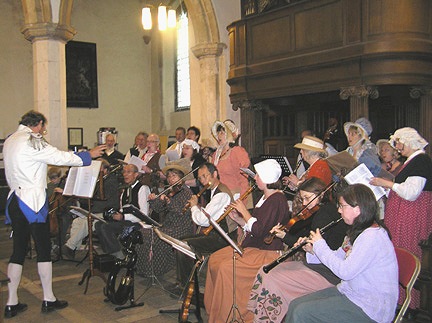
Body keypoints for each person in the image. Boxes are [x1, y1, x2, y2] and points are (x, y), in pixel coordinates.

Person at [3, 110, 105, 317]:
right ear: (38, 124)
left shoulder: (10, 139)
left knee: (18, 250)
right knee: (43, 248)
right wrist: (88, 155)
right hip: (31, 201)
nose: (43, 131)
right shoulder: (32, 140)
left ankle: (11, 302)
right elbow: (58, 157)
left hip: (14, 199)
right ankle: (48, 298)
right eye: (43, 127)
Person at [285, 184, 398, 323]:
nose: (339, 210)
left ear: (357, 209)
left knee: (301, 312)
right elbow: (337, 256)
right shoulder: (356, 231)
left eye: (342, 206)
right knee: (295, 304)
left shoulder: (372, 237)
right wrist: (312, 250)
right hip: (351, 292)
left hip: (370, 307)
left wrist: (320, 245)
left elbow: (345, 272)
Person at [248, 178, 348, 323]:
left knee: (272, 277)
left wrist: (287, 237)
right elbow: (305, 239)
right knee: (265, 270)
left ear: (320, 195)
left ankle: (267, 317)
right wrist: (286, 236)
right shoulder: (322, 210)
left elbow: (319, 248)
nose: (304, 203)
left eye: (307, 198)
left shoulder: (324, 214)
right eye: (302, 199)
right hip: (316, 264)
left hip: (324, 270)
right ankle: (260, 313)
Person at [204, 159, 289, 323]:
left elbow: (260, 231)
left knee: (225, 268)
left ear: (266, 178)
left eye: (257, 175)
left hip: (267, 252)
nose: (255, 178)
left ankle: (230, 315)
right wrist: (239, 220)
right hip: (254, 246)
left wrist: (244, 211)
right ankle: (215, 310)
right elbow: (255, 226)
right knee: (215, 260)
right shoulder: (266, 198)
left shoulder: (277, 200)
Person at [370, 127, 432, 309]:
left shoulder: (421, 161)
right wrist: (387, 188)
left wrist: (386, 183)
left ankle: (410, 302)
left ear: (409, 142)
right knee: (397, 250)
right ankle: (398, 297)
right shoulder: (412, 160)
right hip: (404, 212)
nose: (396, 147)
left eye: (398, 143)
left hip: (411, 215)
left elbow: (412, 193)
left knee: (407, 249)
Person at [174, 162, 236, 290]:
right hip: (214, 233)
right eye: (200, 178)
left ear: (214, 174)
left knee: (184, 245)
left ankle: (188, 286)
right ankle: (187, 281)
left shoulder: (221, 194)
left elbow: (203, 220)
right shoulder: (213, 190)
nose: (203, 180)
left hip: (223, 237)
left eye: (205, 176)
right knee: (180, 241)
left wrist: (194, 206)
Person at [135, 165, 194, 277]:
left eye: (174, 176)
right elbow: (158, 209)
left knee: (152, 236)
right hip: (168, 225)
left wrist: (168, 202)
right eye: (169, 176)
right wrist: (153, 200)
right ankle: (144, 268)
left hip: (181, 227)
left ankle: (157, 269)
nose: (171, 179)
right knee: (141, 233)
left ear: (181, 177)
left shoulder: (187, 193)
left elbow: (181, 212)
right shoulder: (170, 191)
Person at [61, 158, 120, 259]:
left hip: (107, 212)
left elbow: (103, 199)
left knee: (87, 221)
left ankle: (69, 246)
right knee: (77, 222)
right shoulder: (99, 180)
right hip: (97, 211)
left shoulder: (111, 181)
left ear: (104, 169)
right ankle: (73, 249)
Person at [95, 164, 150, 258]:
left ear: (136, 174)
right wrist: (115, 214)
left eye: (128, 172)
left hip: (138, 223)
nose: (125, 174)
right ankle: (110, 253)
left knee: (105, 227)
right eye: (124, 172)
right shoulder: (125, 191)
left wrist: (123, 217)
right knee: (98, 224)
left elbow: (143, 214)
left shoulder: (142, 189)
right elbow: (122, 209)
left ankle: (119, 255)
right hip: (125, 221)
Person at [210, 120, 252, 209]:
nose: (219, 135)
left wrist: (242, 201)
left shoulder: (237, 152)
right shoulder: (216, 154)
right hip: (220, 195)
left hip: (236, 195)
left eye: (222, 132)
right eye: (218, 132)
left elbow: (244, 178)